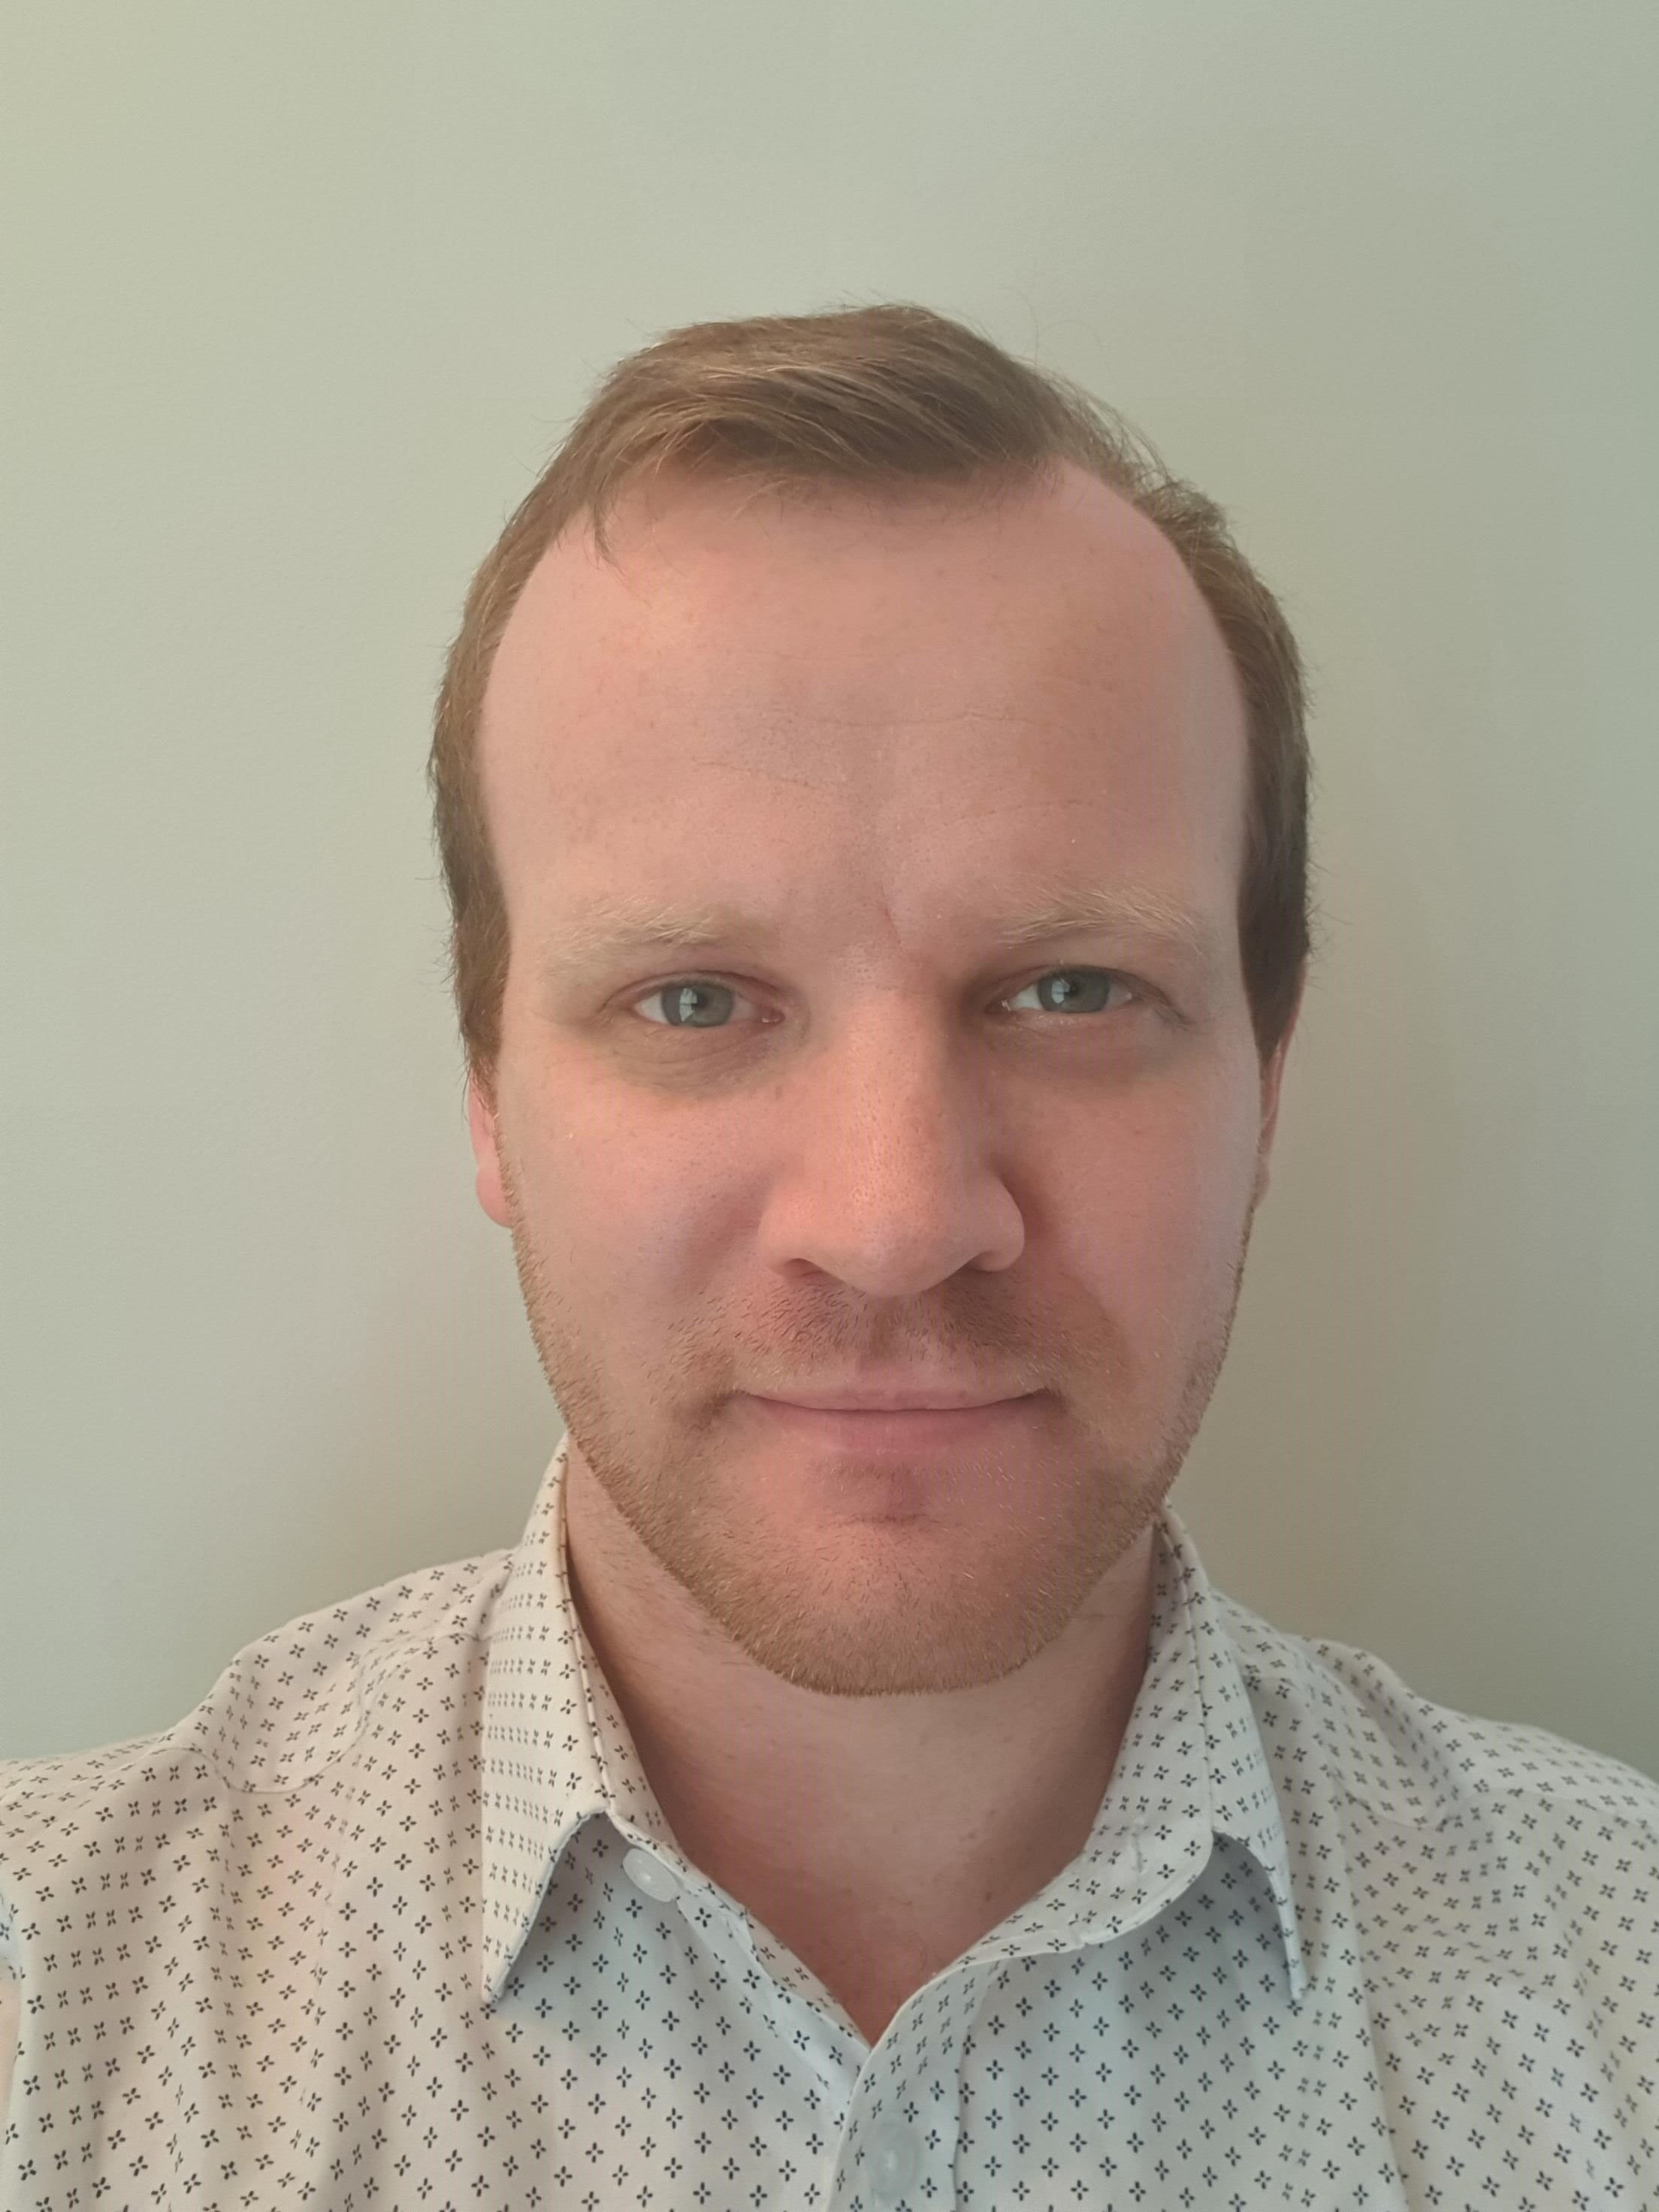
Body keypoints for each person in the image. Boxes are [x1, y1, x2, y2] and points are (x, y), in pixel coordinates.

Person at [2, 304, 1654, 2212]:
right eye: (697, 998)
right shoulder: (63, 2023)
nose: (894, 1219)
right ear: (487, 1096)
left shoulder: (1623, 2001)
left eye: (1068, 987)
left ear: (1267, 1083)